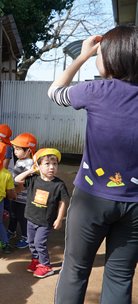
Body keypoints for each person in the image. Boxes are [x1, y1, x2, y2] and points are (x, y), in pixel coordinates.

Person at [49, 26, 138, 303]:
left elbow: (55, 92)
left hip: (91, 198)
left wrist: (81, 57)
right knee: (120, 276)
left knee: (75, 269)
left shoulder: (95, 90)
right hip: (135, 205)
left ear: (111, 58)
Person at [15, 148, 68, 278]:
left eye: (55, 164)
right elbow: (18, 179)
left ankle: (46, 266)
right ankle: (36, 260)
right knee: (32, 242)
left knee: (39, 243)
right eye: (47, 164)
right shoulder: (33, 179)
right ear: (38, 165)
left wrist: (59, 219)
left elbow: (62, 202)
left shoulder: (59, 185)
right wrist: (31, 170)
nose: (52, 167)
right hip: (31, 218)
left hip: (45, 221)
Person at [7, 133, 37, 249]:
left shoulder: (29, 164)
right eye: (15, 149)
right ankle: (11, 231)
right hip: (16, 195)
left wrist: (15, 191)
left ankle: (26, 237)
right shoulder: (20, 160)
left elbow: (25, 183)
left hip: (23, 197)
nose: (15, 152)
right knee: (13, 214)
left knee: (22, 217)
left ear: (28, 150)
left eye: (18, 149)